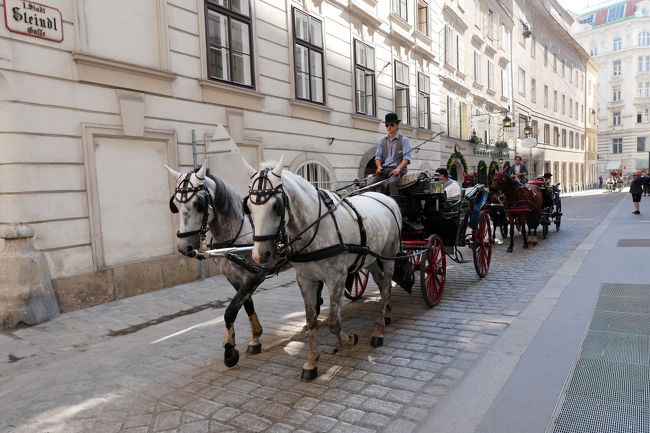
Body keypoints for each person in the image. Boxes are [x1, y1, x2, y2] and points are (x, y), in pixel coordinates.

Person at [368, 112, 411, 197]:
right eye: (387, 125)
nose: (389, 127)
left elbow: (407, 159)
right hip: (384, 169)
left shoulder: (404, 140)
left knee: (392, 182)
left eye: (391, 124)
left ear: (397, 125)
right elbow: (378, 157)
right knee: (371, 183)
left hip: (398, 169)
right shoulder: (382, 140)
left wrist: (398, 168)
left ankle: (395, 205)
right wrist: (379, 166)